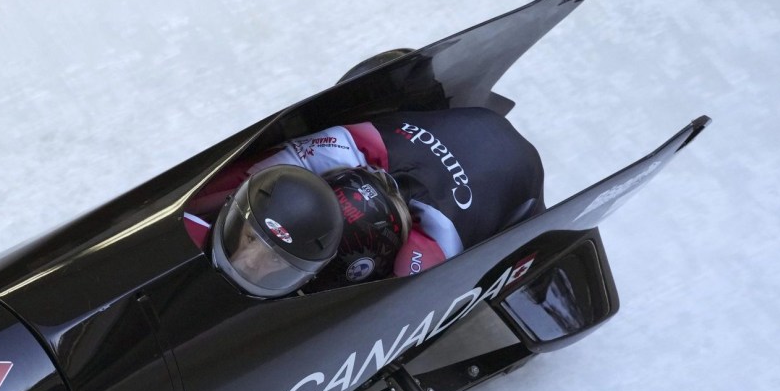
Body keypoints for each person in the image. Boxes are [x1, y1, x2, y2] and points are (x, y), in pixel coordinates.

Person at [185, 107, 545, 295]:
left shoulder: (430, 249)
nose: (248, 262)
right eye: (251, 238)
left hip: (518, 180)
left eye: (276, 259)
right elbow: (240, 185)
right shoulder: (340, 148)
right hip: (418, 140)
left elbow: (394, 308)